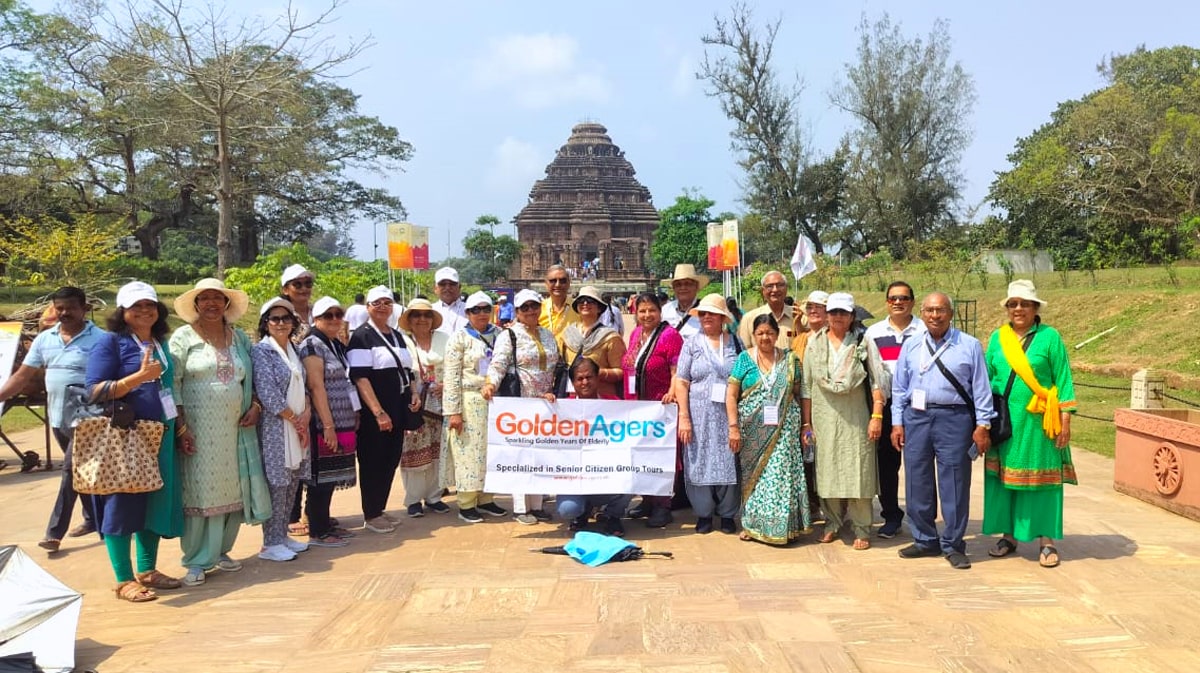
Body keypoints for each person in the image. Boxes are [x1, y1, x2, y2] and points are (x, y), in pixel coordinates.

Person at [85, 281, 183, 602]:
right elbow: (94, 391)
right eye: (136, 306)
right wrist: (136, 379)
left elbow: (166, 389)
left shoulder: (159, 341)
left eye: (149, 305)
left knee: (154, 500)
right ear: (122, 311)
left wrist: (178, 426)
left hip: (159, 434)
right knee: (122, 503)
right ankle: (123, 579)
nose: (144, 311)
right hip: (126, 436)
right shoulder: (111, 343)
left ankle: (147, 569)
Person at [170, 279, 269, 586]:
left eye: (218, 299)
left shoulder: (238, 338)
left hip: (234, 430)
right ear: (196, 304)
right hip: (198, 429)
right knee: (199, 491)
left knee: (233, 490)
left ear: (226, 305)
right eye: (205, 299)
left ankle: (222, 550)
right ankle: (197, 560)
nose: (211, 304)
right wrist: (181, 426)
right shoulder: (183, 338)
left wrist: (255, 406)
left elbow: (250, 380)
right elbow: (172, 384)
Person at [891, 292, 993, 570]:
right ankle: (925, 539)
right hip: (917, 417)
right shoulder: (911, 345)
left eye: (941, 310)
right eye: (929, 310)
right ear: (922, 313)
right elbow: (899, 388)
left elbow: (981, 388)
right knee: (917, 480)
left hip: (955, 418)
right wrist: (897, 422)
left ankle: (953, 544)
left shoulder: (969, 345)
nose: (935, 316)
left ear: (951, 313)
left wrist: (983, 425)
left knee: (955, 483)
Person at [0, 287, 103, 553]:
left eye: (70, 307)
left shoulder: (102, 339)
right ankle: (95, 520)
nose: (65, 313)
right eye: (60, 308)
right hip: (57, 418)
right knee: (80, 472)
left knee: (69, 471)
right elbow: (22, 377)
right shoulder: (45, 339)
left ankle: (54, 533)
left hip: (89, 418)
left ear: (84, 308)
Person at [983, 280, 1077, 569]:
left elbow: (1063, 378)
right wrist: (983, 420)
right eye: (1013, 304)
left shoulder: (1050, 337)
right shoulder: (998, 339)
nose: (1019, 309)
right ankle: (1008, 537)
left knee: (1043, 483)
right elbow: (986, 379)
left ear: (1036, 307)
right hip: (1006, 424)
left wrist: (1065, 418)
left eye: (1025, 303)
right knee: (1004, 482)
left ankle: (1046, 541)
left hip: (1040, 424)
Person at [801, 292, 887, 551]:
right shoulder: (814, 343)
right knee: (827, 471)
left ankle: (862, 527)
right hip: (823, 416)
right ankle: (832, 523)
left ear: (852, 316)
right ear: (827, 315)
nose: (837, 317)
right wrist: (806, 424)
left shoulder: (861, 341)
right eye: (833, 312)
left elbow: (877, 381)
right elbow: (806, 387)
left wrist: (877, 416)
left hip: (856, 418)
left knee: (858, 471)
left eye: (843, 313)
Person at [727, 314, 811, 544]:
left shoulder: (790, 359)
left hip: (784, 428)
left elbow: (799, 392)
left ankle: (782, 528)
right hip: (751, 429)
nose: (765, 337)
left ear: (777, 334)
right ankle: (753, 525)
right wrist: (733, 426)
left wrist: (806, 424)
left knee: (781, 476)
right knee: (754, 477)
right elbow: (731, 395)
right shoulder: (745, 358)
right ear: (753, 336)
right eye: (760, 333)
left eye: (769, 333)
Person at [348, 286, 423, 534]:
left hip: (399, 406)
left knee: (390, 458)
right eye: (376, 303)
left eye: (387, 303)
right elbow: (360, 377)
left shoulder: (397, 336)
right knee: (373, 460)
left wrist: (413, 393)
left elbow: (407, 370)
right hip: (376, 411)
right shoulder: (361, 337)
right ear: (368, 307)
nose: (382, 307)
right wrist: (378, 412)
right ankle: (370, 513)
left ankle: (379, 508)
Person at [483, 288, 559, 525]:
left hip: (544, 402)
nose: (530, 311)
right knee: (520, 455)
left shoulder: (548, 334)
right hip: (520, 402)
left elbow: (556, 367)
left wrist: (554, 391)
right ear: (516, 311)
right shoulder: (509, 336)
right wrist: (490, 385)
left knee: (540, 454)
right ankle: (519, 507)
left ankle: (536, 506)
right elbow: (498, 364)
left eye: (534, 306)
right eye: (524, 307)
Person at [675, 294, 742, 534]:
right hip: (698, 414)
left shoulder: (735, 342)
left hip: (728, 414)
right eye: (702, 313)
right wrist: (684, 417)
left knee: (728, 458)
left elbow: (744, 374)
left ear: (723, 318)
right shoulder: (691, 344)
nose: (706, 318)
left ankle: (726, 514)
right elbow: (681, 381)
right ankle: (703, 514)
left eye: (711, 313)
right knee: (698, 459)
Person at [251, 298, 312, 562]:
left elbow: (305, 386)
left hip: (297, 425)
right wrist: (293, 418)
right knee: (277, 482)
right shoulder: (262, 351)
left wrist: (305, 415)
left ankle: (282, 534)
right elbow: (267, 392)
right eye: (274, 319)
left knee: (292, 481)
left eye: (285, 318)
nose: (280, 323)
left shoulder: (294, 349)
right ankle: (270, 542)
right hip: (276, 427)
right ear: (265, 324)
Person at [441, 291, 509, 523]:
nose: (481, 314)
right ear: (468, 313)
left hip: (495, 401)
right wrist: (453, 412)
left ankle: (486, 498)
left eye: (485, 309)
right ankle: (467, 502)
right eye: (476, 310)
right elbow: (451, 376)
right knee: (469, 452)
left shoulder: (500, 334)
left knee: (491, 451)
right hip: (469, 400)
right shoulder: (458, 338)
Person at [865, 281, 925, 539]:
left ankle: (923, 519)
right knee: (887, 465)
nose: (898, 302)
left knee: (919, 465)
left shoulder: (925, 330)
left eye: (903, 298)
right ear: (887, 302)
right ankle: (891, 515)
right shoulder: (873, 333)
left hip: (919, 405)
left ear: (912, 301)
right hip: (886, 406)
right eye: (893, 298)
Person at [298, 296, 360, 548]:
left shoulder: (333, 343)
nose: (335, 319)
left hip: (341, 418)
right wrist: (327, 426)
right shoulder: (313, 345)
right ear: (316, 319)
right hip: (325, 421)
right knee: (321, 477)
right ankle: (318, 530)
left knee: (331, 475)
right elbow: (316, 386)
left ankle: (323, 521)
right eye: (328, 316)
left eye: (338, 314)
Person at [620, 292, 683, 528]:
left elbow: (678, 370)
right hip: (637, 407)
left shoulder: (670, 335)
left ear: (660, 311)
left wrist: (672, 392)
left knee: (661, 455)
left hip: (660, 406)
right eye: (642, 311)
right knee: (641, 454)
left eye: (651, 310)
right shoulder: (636, 333)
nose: (647, 315)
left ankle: (662, 505)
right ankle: (647, 499)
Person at [557, 358, 631, 536]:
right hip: (574, 480)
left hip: (605, 475)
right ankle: (581, 513)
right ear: (572, 383)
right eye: (579, 378)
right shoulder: (561, 408)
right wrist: (545, 404)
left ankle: (613, 516)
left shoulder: (614, 403)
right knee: (568, 509)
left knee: (634, 474)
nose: (584, 382)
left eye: (589, 377)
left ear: (598, 378)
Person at [398, 297, 450, 517]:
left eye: (426, 315)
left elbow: (456, 366)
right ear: (409, 319)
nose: (422, 319)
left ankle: (434, 496)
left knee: (439, 450)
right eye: (416, 315)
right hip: (414, 404)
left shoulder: (445, 339)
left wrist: (446, 385)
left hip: (442, 403)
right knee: (414, 452)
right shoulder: (402, 341)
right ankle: (413, 499)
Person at [562, 286, 627, 399]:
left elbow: (621, 372)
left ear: (599, 308)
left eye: (590, 301)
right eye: (581, 301)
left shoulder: (610, 337)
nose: (585, 303)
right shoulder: (568, 334)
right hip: (572, 398)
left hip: (602, 397)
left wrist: (596, 373)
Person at [738, 271, 795, 350]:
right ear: (763, 291)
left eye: (779, 285)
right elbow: (745, 352)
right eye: (770, 286)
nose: (775, 289)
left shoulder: (798, 316)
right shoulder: (749, 319)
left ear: (786, 288)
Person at [660, 263, 709, 339]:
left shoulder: (706, 311)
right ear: (673, 288)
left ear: (696, 287)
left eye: (687, 284)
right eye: (678, 284)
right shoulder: (665, 311)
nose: (683, 288)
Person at [538, 264, 578, 344]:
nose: (558, 285)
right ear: (546, 284)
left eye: (562, 281)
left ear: (569, 283)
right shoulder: (537, 309)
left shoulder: (579, 308)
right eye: (553, 281)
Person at [279, 264, 316, 338]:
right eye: (297, 285)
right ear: (285, 290)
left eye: (308, 284)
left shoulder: (318, 312)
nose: (304, 288)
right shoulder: (281, 317)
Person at [432, 267, 468, 336]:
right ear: (435, 288)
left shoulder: (470, 310)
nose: (447, 287)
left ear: (459, 287)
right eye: (442, 284)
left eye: (452, 284)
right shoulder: (430, 311)